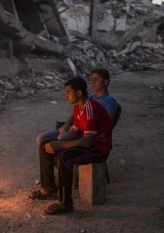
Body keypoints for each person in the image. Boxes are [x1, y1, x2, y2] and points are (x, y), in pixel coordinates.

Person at [31, 68, 119, 199]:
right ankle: (47, 188)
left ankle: (65, 202)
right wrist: (59, 139)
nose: (65, 96)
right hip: (88, 143)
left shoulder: (90, 108)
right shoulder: (78, 106)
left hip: (97, 149)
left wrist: (60, 145)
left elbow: (87, 141)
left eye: (68, 93)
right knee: (45, 144)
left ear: (79, 93)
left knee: (64, 155)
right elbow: (74, 130)